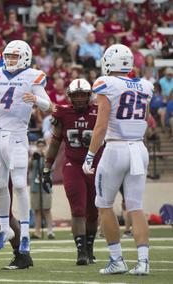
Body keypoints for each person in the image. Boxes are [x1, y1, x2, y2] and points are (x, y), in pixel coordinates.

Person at [82, 44, 154, 275]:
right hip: (139, 148)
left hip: (115, 148)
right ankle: (143, 262)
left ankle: (117, 259)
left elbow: (101, 125)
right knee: (136, 207)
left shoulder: (107, 84)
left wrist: (90, 155)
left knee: (103, 205)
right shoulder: (145, 85)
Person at [0, 40, 51, 254]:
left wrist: (36, 99)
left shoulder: (32, 76)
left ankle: (25, 234)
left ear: (25, 56)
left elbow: (49, 105)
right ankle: (5, 228)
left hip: (17, 136)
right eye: (7, 56)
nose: (9, 60)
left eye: (14, 56)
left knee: (17, 183)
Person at [43, 78, 101, 266]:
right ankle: (81, 252)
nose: (79, 100)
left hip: (95, 166)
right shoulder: (63, 114)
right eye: (75, 96)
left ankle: (90, 248)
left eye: (82, 95)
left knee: (93, 212)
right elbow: (54, 142)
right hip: (73, 166)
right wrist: (46, 168)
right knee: (77, 210)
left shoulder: (99, 112)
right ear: (70, 97)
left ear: (88, 96)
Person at [30, 139, 54, 240]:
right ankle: (37, 232)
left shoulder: (49, 157)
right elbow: (29, 167)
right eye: (39, 146)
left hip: (45, 186)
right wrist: (33, 158)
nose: (40, 147)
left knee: (47, 209)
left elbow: (52, 168)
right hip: (35, 187)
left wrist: (44, 157)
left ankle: (50, 231)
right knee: (37, 210)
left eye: (42, 145)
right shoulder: (35, 156)